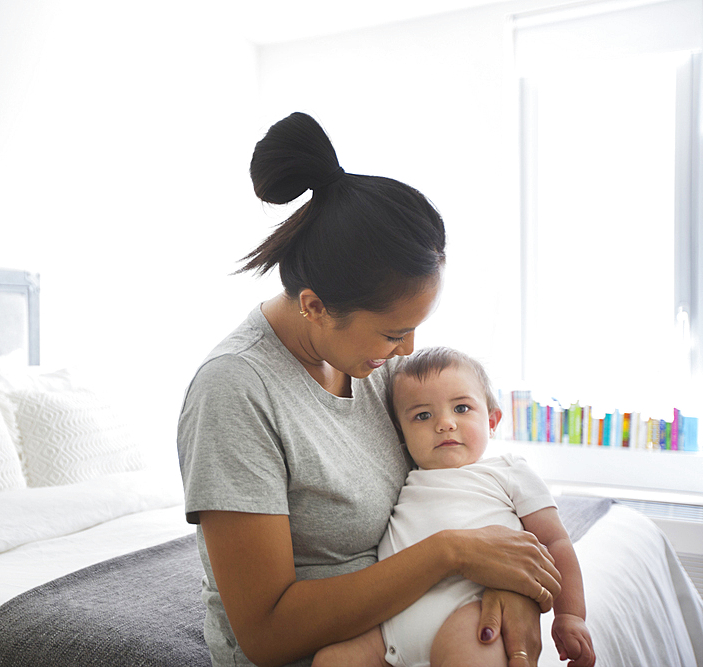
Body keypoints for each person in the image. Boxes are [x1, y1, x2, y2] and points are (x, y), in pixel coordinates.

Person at [177, 112, 561, 667]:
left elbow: (454, 476)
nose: (406, 351)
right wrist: (455, 555)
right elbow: (266, 636)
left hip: (418, 613)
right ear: (314, 306)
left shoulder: (368, 360)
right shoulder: (236, 392)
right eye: (393, 332)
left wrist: (501, 581)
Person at [312, 347, 596, 667]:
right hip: (391, 629)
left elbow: (555, 540)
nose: (445, 424)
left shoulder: (507, 470)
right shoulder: (405, 479)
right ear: (400, 434)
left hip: (471, 613)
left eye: (461, 408)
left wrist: (570, 615)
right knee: (330, 660)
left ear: (491, 420)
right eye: (422, 415)